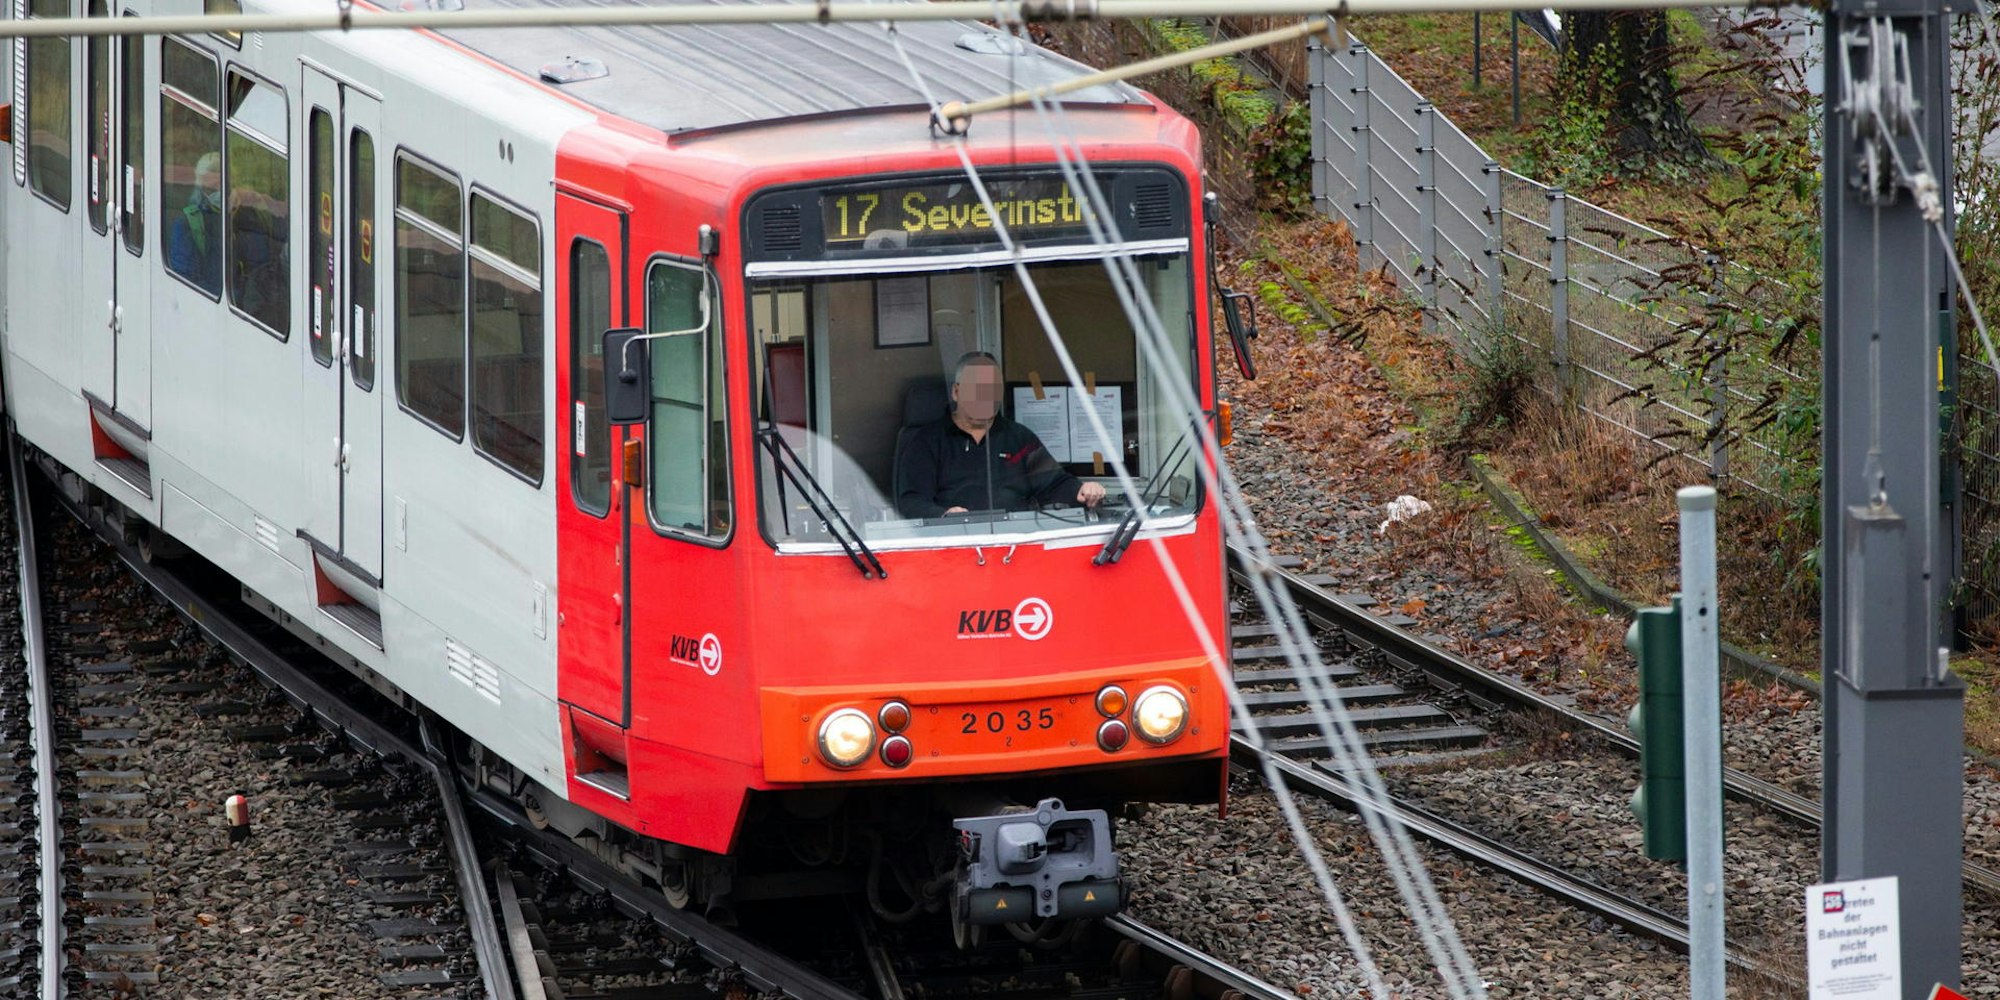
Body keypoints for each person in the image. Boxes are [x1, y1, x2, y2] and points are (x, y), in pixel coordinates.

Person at [896, 351, 1107, 518]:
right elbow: (912, 501)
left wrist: (1082, 490)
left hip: (1015, 544)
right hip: (953, 545)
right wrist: (944, 515)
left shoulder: (1019, 437)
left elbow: (1053, 484)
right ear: (957, 392)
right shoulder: (927, 441)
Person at [167, 151, 223, 295]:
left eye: (221, 187)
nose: (218, 192)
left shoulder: (243, 218)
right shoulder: (187, 225)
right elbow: (186, 281)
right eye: (211, 188)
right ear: (200, 188)